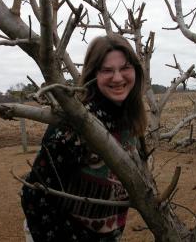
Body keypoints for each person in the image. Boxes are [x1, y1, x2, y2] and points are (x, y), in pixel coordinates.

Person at [21, 34, 147, 242]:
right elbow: (35, 194)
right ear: (93, 74)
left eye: (125, 68)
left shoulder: (130, 118)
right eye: (107, 70)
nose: (117, 78)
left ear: (136, 70)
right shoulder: (77, 124)